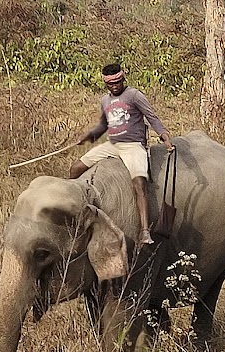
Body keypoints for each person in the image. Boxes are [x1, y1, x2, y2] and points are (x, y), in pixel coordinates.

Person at [70, 63, 175, 245]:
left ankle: (144, 230)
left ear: (123, 79)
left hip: (133, 145)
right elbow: (104, 125)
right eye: (111, 84)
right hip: (113, 144)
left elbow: (152, 117)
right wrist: (88, 136)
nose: (115, 86)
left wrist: (164, 136)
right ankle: (72, 212)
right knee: (75, 168)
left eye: (118, 82)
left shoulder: (134, 95)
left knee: (139, 182)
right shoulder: (105, 100)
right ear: (106, 84)